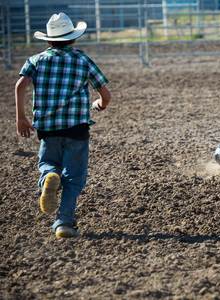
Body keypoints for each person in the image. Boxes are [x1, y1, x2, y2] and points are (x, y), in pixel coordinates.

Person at [15, 13, 111, 238]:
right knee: (74, 176)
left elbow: (20, 85)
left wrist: (21, 117)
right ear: (73, 38)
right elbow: (105, 93)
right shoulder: (82, 59)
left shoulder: (36, 60)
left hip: (48, 129)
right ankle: (64, 223)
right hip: (77, 128)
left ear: (48, 40)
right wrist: (100, 104)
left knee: (48, 162)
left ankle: (48, 176)